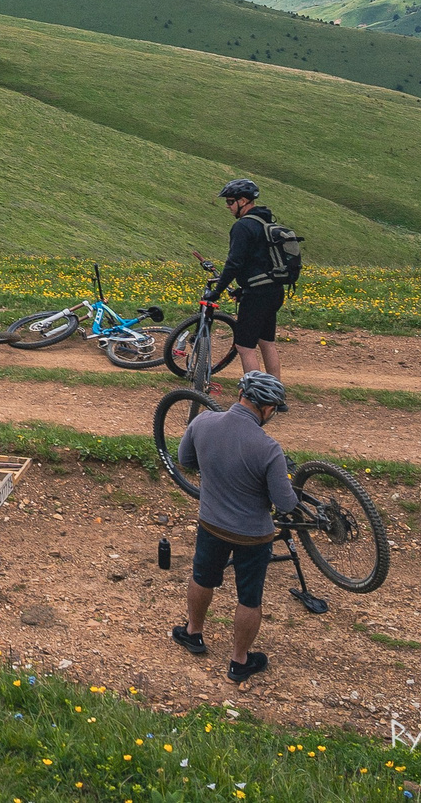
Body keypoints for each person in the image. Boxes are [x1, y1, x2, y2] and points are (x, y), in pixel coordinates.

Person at [170, 370, 299, 685]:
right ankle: (239, 661)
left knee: (203, 578)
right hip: (253, 536)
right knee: (249, 598)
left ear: (241, 394)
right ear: (267, 408)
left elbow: (184, 460)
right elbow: (285, 505)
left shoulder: (202, 423)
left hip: (211, 523)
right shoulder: (268, 449)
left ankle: (193, 633)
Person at [210, 178, 287, 382]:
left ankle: (258, 398)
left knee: (245, 346)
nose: (228, 207)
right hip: (274, 290)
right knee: (266, 342)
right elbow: (259, 263)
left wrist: (217, 290)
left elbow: (234, 263)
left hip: (257, 295)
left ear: (243, 201)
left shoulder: (243, 227)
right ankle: (276, 394)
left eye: (230, 202)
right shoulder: (267, 223)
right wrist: (243, 288)